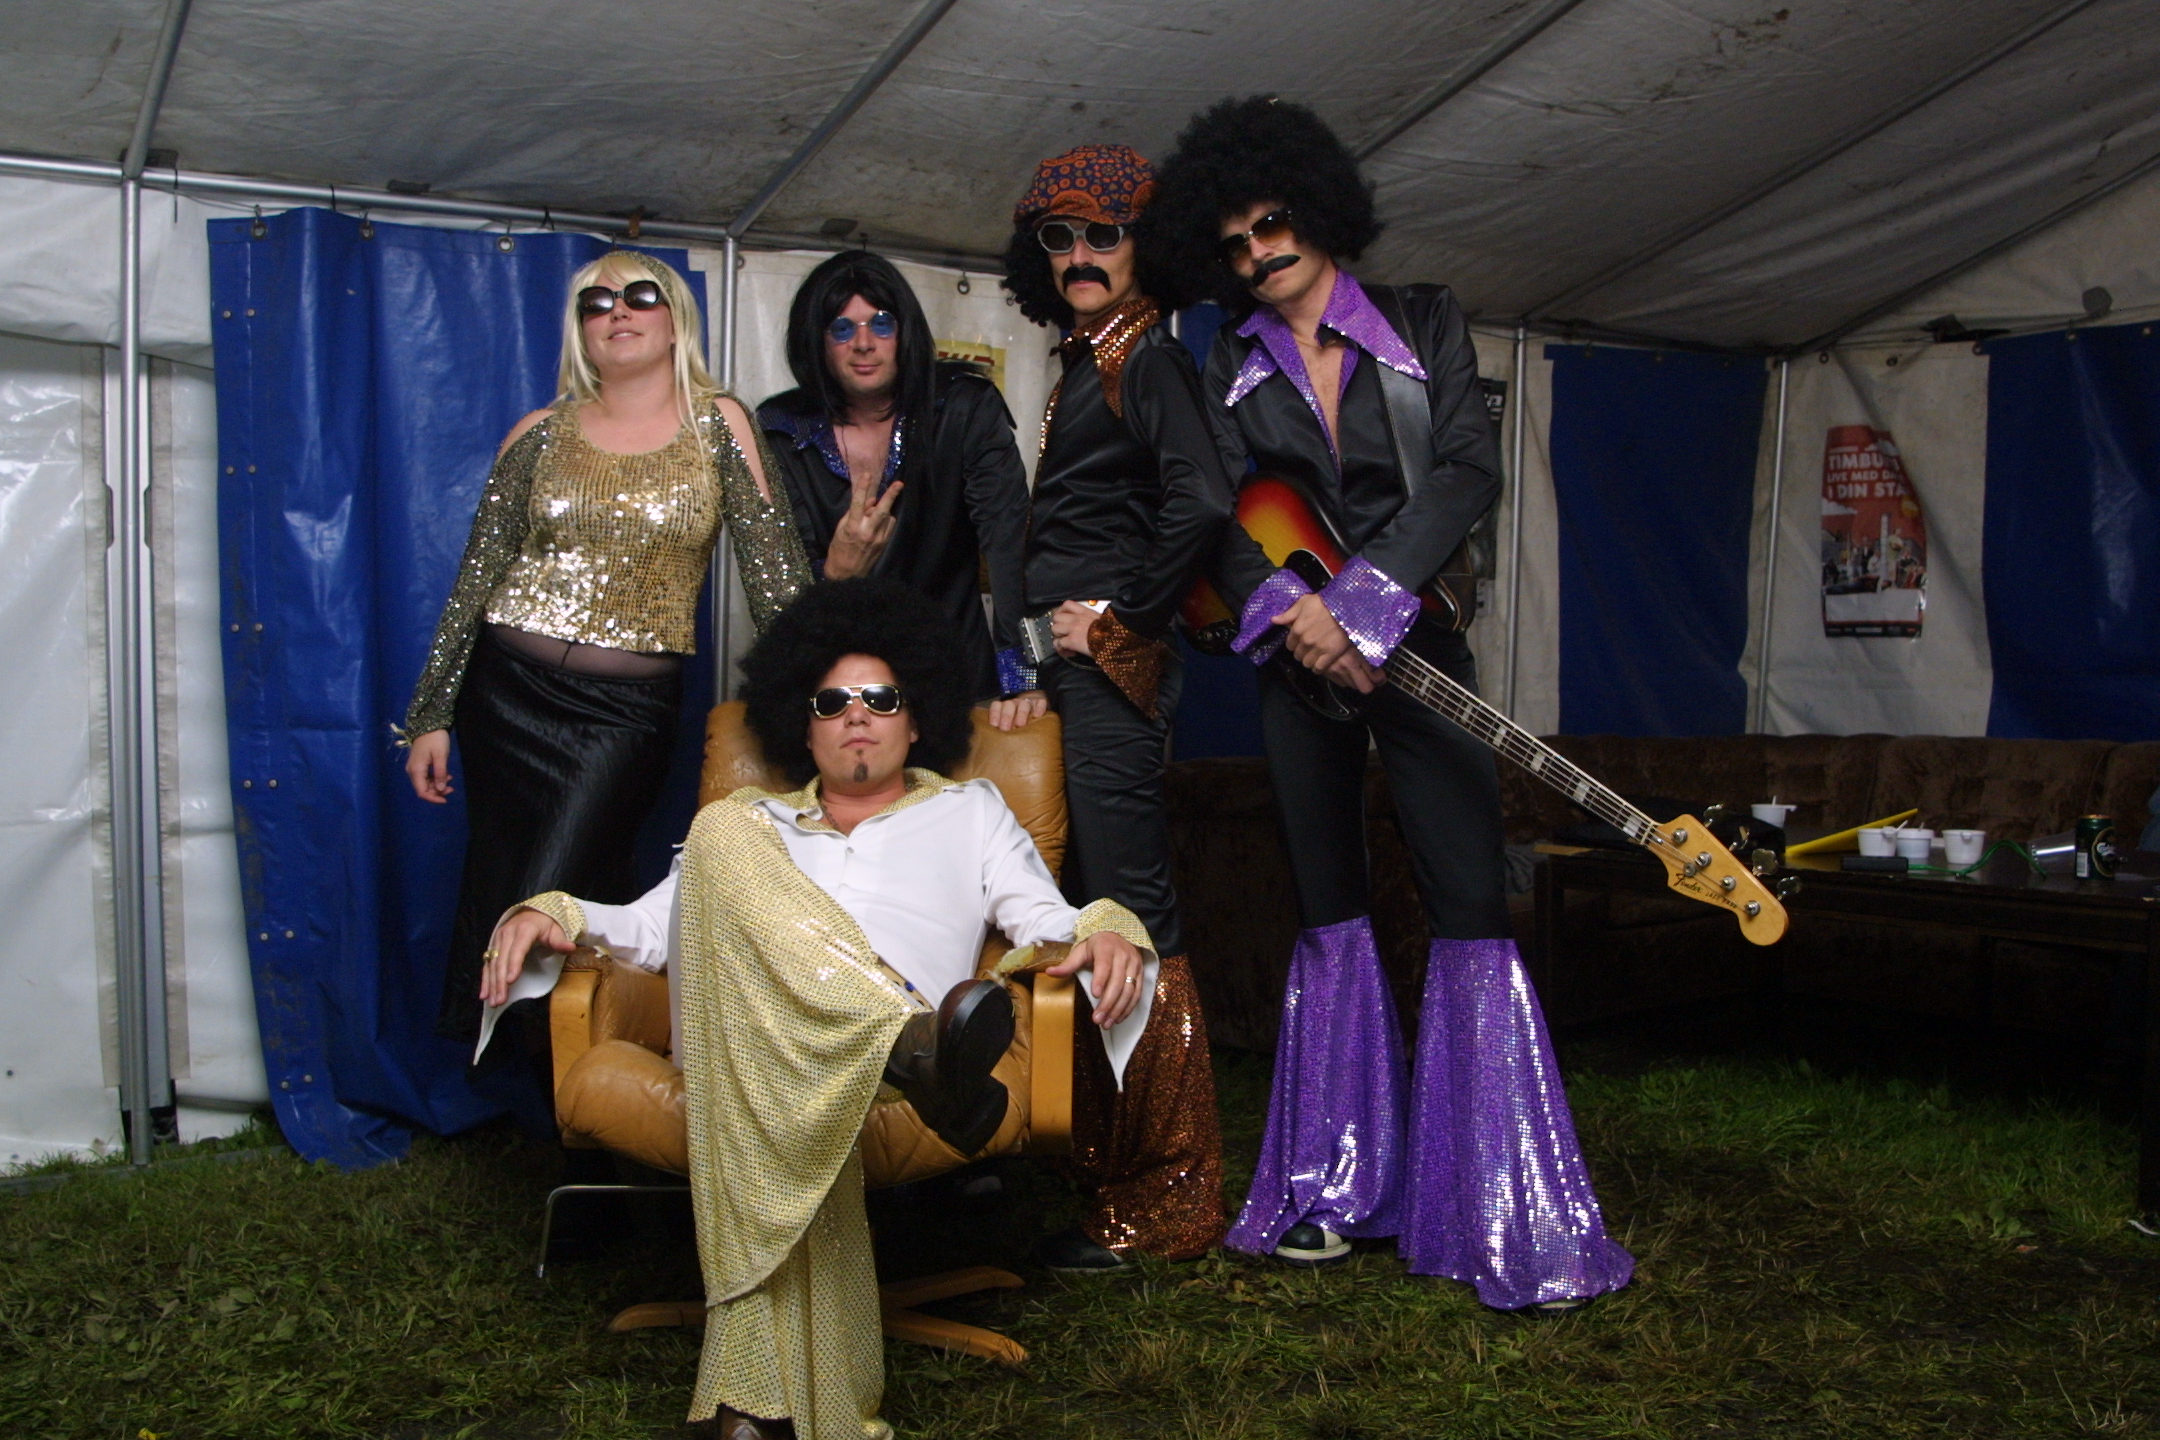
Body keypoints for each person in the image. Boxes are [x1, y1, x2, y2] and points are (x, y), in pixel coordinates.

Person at [1144, 97, 1633, 1309]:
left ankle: (1491, 1206)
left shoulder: (1424, 324)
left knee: (1468, 904)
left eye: (1273, 223)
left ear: (1319, 211)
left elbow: (1467, 470)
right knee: (1329, 912)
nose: (1259, 251)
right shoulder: (1225, 361)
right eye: (1235, 242)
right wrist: (1296, 620)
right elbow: (1211, 509)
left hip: (1424, 646)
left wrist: (1362, 604)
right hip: (1292, 663)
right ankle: (1335, 1187)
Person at [478, 578, 1159, 1440]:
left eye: (882, 698)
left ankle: (752, 1406)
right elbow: (650, 931)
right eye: (831, 703)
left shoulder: (971, 810)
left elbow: (1042, 918)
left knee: (773, 1092)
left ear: (916, 719)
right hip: (779, 1041)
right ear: (804, 729)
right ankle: (900, 1043)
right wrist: (555, 911)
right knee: (723, 832)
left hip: (790, 1081)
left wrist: (1104, 927)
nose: (857, 716)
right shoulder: (749, 825)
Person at [401, 249, 811, 1116]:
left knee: (557, 891)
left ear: (675, 318)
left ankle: (589, 1096)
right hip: (504, 699)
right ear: (580, 329)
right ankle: (561, 1105)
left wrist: (830, 695)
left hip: (623, 716)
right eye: (596, 302)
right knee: (504, 886)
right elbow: (476, 580)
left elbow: (775, 575)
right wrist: (431, 713)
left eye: (640, 295)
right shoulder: (538, 434)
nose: (618, 311)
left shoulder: (719, 425)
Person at [998, 143, 1231, 1270]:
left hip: (1112, 669)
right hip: (1071, 673)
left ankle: (1169, 1204)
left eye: (1106, 233)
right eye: (1060, 237)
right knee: (1089, 908)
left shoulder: (1151, 358)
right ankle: (1105, 1168)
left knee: (1136, 918)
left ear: (1149, 247)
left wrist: (1124, 619)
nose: (1082, 254)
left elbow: (1205, 499)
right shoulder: (1093, 356)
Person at [758, 250, 1043, 724]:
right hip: (840, 698)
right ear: (817, 341)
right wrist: (836, 571)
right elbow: (777, 595)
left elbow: (1010, 546)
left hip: (955, 682)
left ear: (905, 332)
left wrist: (1022, 680)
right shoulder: (782, 430)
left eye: (881, 323)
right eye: (842, 328)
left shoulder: (962, 407)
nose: (863, 343)